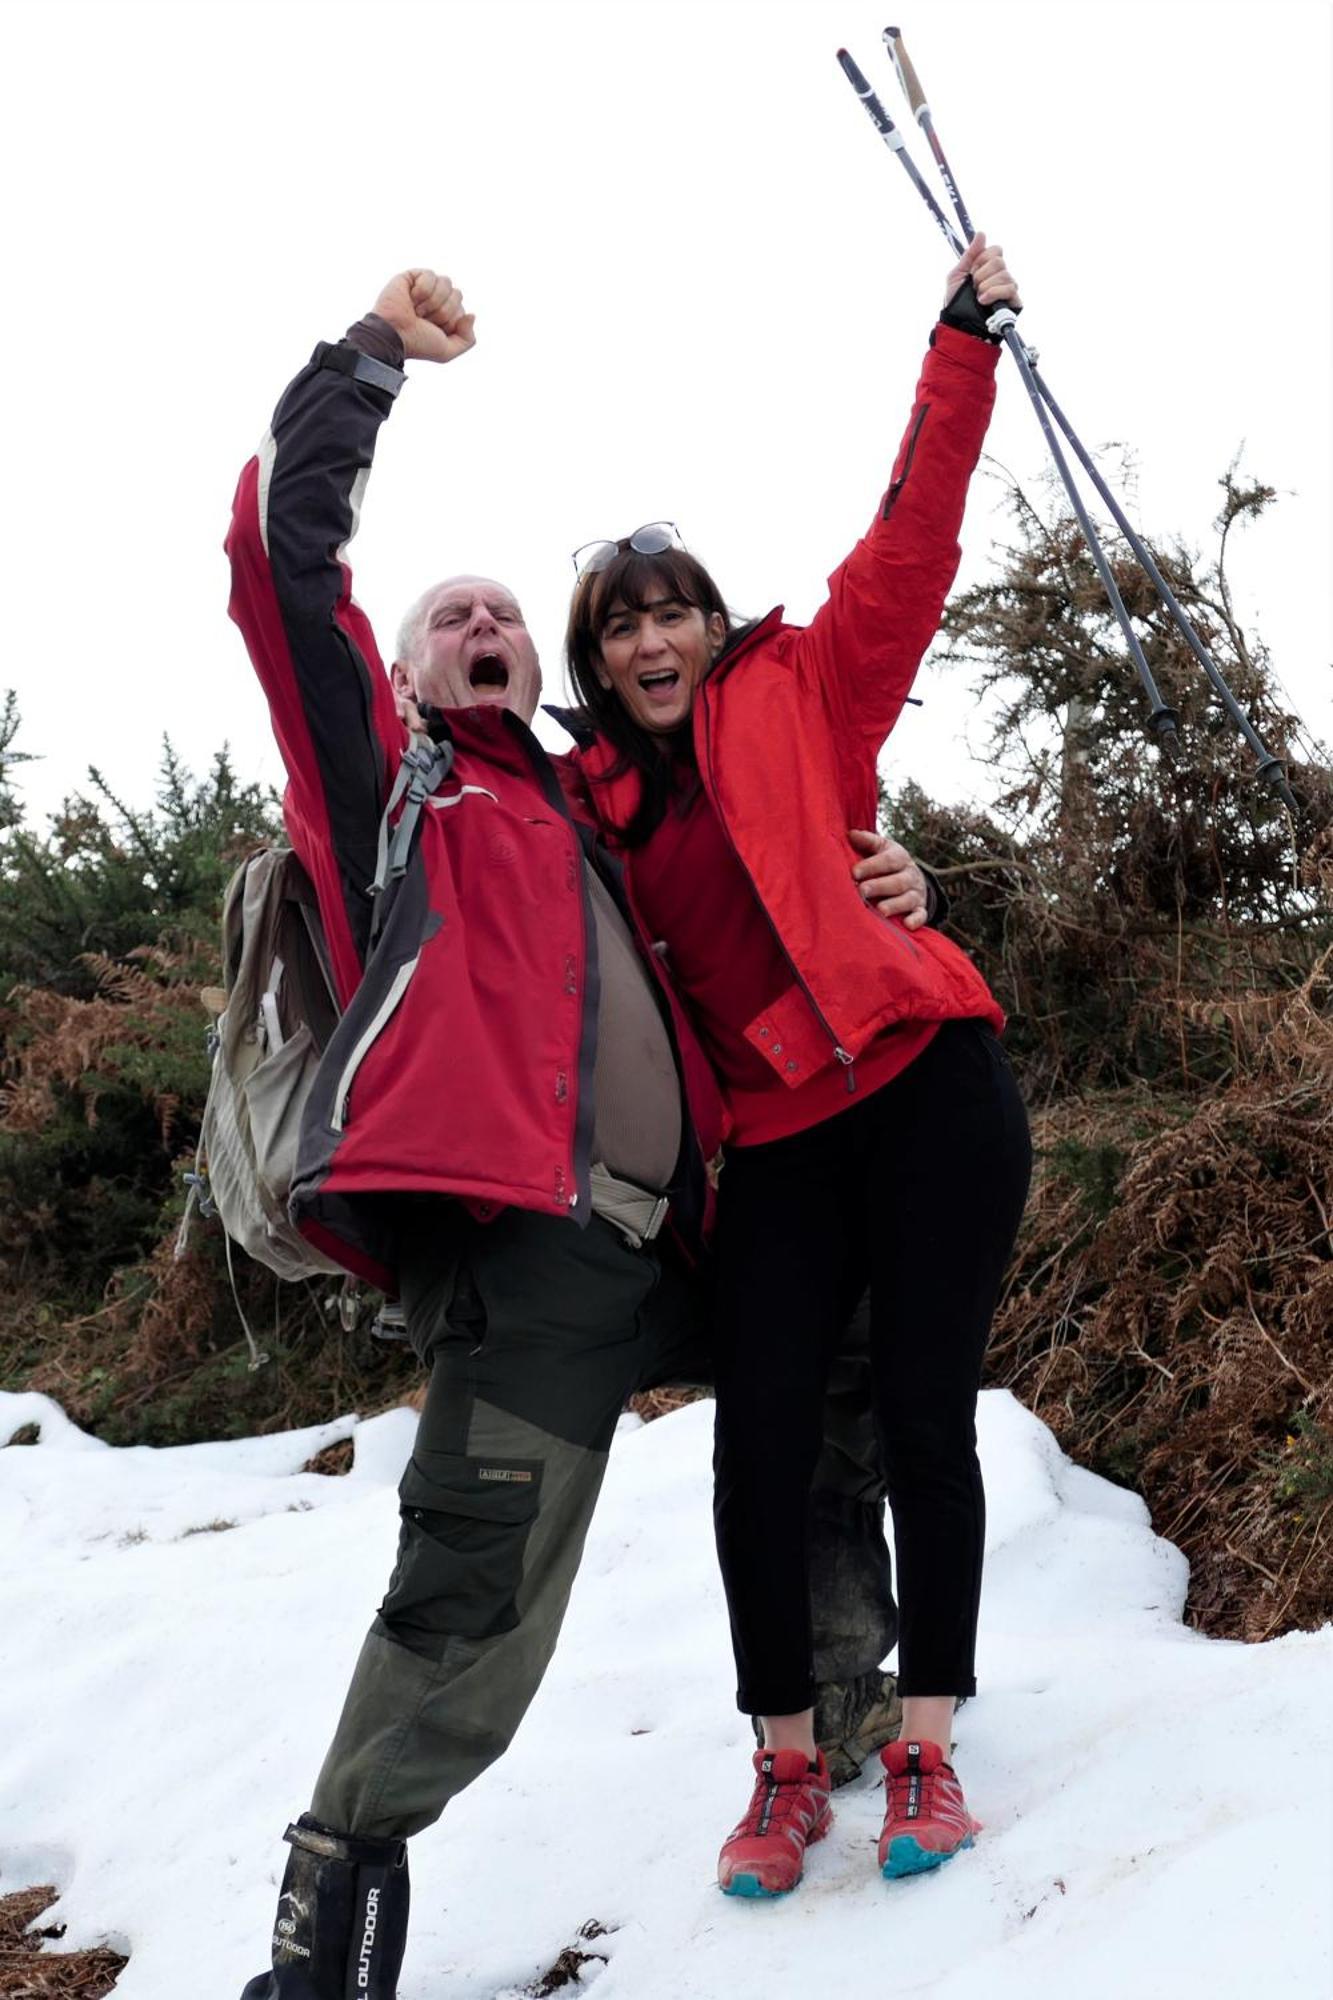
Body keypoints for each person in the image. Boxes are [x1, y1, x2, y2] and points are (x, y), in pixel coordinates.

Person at [226, 269, 948, 1999]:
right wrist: (372, 358)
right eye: (446, 613)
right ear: (397, 671)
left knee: (823, 1385)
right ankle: (329, 1925)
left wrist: (898, 889)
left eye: (500, 613)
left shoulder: (591, 805)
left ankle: (843, 1710)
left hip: (674, 1232)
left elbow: (759, 898)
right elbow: (281, 561)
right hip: (529, 1257)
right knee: (476, 1574)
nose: (481, 622)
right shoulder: (389, 799)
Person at [562, 234, 1035, 1897]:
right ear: (599, 662)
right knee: (754, 1437)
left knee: (922, 1412)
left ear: (712, 622)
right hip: (771, 1145)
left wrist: (956, 341)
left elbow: (911, 542)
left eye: (675, 606)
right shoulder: (587, 815)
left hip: (921, 1088)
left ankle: (924, 1746)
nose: (655, 636)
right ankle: (781, 1768)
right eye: (622, 625)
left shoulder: (806, 692)